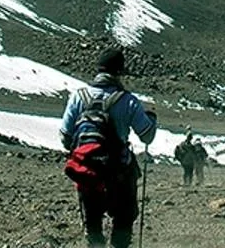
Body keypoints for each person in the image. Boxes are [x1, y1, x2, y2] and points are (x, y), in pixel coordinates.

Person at [60, 47, 158, 248]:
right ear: (119, 72)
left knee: (93, 227)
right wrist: (152, 119)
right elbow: (147, 135)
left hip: (87, 173)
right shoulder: (128, 101)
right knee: (123, 222)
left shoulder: (78, 97)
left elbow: (65, 136)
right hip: (119, 173)